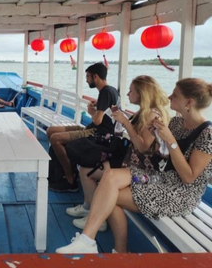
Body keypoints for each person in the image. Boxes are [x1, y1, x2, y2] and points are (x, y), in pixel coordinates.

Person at [56, 78, 212, 254]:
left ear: (189, 102)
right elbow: (163, 156)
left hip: (180, 193)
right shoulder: (176, 123)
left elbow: (189, 177)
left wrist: (169, 140)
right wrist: (159, 140)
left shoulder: (207, 135)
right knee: (110, 178)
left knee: (110, 196)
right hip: (156, 178)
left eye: (175, 95)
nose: (169, 97)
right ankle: (88, 240)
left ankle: (116, 250)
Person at [67, 75, 170, 232]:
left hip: (141, 168)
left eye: (131, 91)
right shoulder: (143, 112)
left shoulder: (153, 115)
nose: (128, 94)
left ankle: (96, 217)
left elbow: (143, 147)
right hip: (128, 159)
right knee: (84, 169)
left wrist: (126, 122)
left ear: (142, 93)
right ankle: (89, 208)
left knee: (87, 171)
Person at [47, 62, 120, 192]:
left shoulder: (105, 92)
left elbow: (97, 121)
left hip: (98, 133)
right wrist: (95, 109)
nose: (86, 80)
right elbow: (103, 115)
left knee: (55, 139)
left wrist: (91, 112)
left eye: (88, 77)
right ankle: (66, 169)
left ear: (95, 77)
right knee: (51, 130)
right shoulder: (112, 91)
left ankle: (70, 178)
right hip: (91, 128)